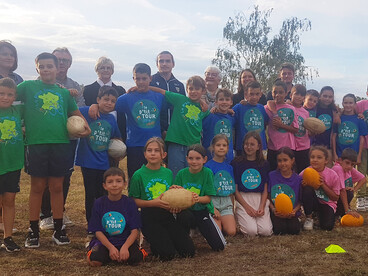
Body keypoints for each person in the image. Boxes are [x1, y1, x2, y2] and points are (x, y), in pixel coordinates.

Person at [17, 52, 90, 248]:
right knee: (37, 188)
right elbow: (6, 95)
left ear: (58, 69)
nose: (46, 69)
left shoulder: (64, 93)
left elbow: (74, 112)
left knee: (57, 187)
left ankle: (58, 229)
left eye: (50, 66)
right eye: (42, 66)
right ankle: (33, 230)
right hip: (36, 144)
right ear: (37, 69)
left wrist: (86, 126)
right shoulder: (27, 87)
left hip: (60, 144)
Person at [40, 47, 85, 230]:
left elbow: (78, 111)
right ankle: (45, 215)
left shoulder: (74, 85)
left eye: (65, 60)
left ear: (70, 63)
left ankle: (59, 211)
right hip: (46, 138)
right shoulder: (40, 83)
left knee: (65, 176)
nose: (62, 64)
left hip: (68, 139)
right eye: (58, 60)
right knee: (45, 176)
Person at [129, 137, 195, 261]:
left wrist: (175, 191)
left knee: (189, 252)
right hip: (149, 216)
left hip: (166, 215)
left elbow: (169, 195)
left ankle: (167, 239)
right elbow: (133, 201)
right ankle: (150, 239)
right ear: (145, 154)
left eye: (156, 150)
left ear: (163, 154)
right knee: (167, 254)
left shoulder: (168, 173)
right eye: (149, 150)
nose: (152, 153)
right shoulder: (138, 175)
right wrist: (154, 203)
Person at [76, 86, 122, 223]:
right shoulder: (86, 112)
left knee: (102, 194)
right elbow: (71, 112)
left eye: (113, 101)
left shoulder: (112, 120)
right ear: (98, 100)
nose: (109, 103)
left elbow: (116, 138)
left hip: (104, 163)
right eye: (106, 99)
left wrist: (119, 150)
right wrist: (93, 106)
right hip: (88, 162)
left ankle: (103, 222)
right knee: (90, 195)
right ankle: (91, 224)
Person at [148, 76, 209, 177]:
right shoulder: (180, 99)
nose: (193, 91)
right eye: (191, 88)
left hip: (193, 145)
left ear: (203, 91)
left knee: (192, 173)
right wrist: (142, 87)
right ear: (186, 90)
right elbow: (161, 91)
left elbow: (214, 113)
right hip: (176, 143)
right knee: (176, 173)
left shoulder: (204, 109)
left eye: (197, 89)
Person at [87, 167, 146, 266]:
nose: (114, 185)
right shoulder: (99, 203)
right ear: (104, 186)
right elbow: (97, 231)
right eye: (110, 182)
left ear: (125, 184)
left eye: (118, 181)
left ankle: (120, 254)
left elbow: (134, 231)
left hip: (125, 241)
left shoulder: (130, 203)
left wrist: (125, 247)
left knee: (137, 260)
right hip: (105, 242)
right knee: (95, 261)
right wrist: (111, 248)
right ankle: (96, 251)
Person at [176, 144, 226, 251]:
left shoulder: (207, 173)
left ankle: (199, 228)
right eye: (191, 158)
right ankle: (185, 234)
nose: (194, 162)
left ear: (204, 159)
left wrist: (196, 198)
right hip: (186, 211)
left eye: (198, 158)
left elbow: (208, 199)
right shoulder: (181, 174)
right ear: (186, 159)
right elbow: (176, 195)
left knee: (219, 246)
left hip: (202, 210)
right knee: (183, 217)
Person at [231, 131, 272, 236]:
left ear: (258, 146)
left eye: (252, 144)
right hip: (243, 198)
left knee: (265, 232)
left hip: (259, 198)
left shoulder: (264, 164)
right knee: (251, 231)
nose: (248, 147)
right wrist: (246, 207)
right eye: (246, 144)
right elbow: (235, 190)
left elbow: (265, 188)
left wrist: (262, 206)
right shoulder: (237, 162)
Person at [0, 78, 23, 252]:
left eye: (9, 94)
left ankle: (7, 237)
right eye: (1, 93)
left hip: (13, 164)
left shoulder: (18, 111)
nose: (5, 97)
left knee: (9, 200)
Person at [300, 146, 342, 231]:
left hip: (326, 203)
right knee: (307, 189)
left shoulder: (332, 175)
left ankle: (322, 216)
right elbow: (297, 191)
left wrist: (323, 185)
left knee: (327, 227)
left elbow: (335, 197)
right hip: (313, 203)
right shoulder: (305, 172)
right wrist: (302, 186)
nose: (315, 160)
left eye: (319, 157)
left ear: (326, 161)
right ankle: (309, 217)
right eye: (312, 157)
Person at [204, 134, 236, 236]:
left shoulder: (229, 167)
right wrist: (211, 207)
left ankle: (225, 221)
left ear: (227, 148)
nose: (221, 147)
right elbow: (205, 189)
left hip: (226, 202)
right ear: (213, 147)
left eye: (224, 145)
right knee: (217, 232)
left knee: (231, 232)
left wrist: (232, 206)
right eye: (218, 145)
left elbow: (231, 189)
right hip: (213, 201)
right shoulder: (208, 167)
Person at [265, 80, 298, 171]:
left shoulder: (291, 109)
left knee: (287, 173)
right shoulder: (267, 108)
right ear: (271, 93)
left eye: (281, 92)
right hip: (273, 147)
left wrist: (281, 125)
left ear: (286, 93)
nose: (277, 95)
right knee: (272, 173)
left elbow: (296, 129)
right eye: (275, 92)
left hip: (288, 147)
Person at [268, 147, 302, 235]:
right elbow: (268, 196)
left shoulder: (298, 179)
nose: (282, 163)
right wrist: (273, 209)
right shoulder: (271, 176)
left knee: (294, 230)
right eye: (279, 161)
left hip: (291, 212)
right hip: (277, 211)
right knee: (279, 230)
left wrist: (294, 211)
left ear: (292, 160)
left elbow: (300, 201)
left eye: (285, 160)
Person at [150, 51, 185, 133]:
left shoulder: (179, 85)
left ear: (173, 64)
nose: (164, 64)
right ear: (157, 64)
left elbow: (183, 108)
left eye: (168, 61)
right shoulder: (150, 82)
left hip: (175, 132)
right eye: (161, 61)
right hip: (154, 130)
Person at [233, 81, 269, 156]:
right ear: (246, 94)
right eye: (251, 94)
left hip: (260, 148)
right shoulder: (239, 107)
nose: (254, 97)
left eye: (257, 94)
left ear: (261, 95)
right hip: (243, 148)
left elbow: (267, 123)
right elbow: (228, 115)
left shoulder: (262, 108)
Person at [332, 94, 367, 164]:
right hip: (340, 154)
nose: (348, 105)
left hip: (353, 154)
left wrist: (359, 155)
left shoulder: (359, 119)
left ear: (355, 104)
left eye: (351, 103)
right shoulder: (338, 119)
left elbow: (362, 138)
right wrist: (334, 153)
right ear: (342, 103)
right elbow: (334, 136)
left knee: (351, 174)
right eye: (346, 103)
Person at [202, 88, 235, 162]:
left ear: (231, 102)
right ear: (216, 102)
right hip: (211, 158)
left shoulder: (232, 117)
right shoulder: (209, 117)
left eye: (227, 100)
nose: (224, 102)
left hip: (228, 158)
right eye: (221, 99)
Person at [332, 148, 366, 218]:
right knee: (347, 192)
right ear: (340, 161)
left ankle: (340, 213)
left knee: (349, 192)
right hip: (330, 199)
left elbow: (363, 179)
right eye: (347, 163)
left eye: (352, 164)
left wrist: (354, 189)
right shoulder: (338, 169)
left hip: (338, 197)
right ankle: (338, 213)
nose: (349, 166)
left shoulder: (349, 169)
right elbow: (342, 191)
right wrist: (347, 210)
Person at [290, 84, 311, 173]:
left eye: (302, 95)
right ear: (291, 95)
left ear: (304, 98)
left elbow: (307, 130)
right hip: (291, 146)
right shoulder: (287, 108)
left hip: (304, 147)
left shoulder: (306, 113)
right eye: (296, 94)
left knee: (303, 173)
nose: (299, 97)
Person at [312, 86, 338, 150]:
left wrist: (359, 114)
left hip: (328, 146)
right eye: (325, 96)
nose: (327, 99)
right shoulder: (313, 109)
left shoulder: (334, 111)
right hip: (314, 145)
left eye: (330, 97)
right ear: (320, 96)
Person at [356, 88, 368, 210]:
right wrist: (357, 115)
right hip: (363, 145)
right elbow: (347, 109)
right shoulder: (361, 104)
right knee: (361, 171)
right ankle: (361, 196)